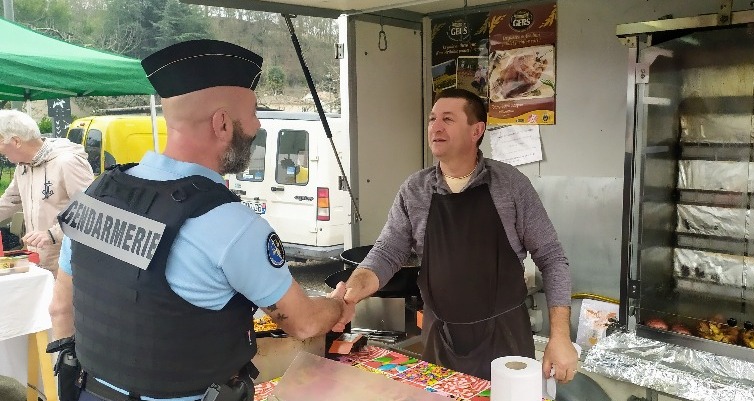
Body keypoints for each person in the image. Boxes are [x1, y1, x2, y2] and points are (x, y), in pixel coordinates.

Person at [48, 39, 351, 401]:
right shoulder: (232, 225)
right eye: (253, 113)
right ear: (221, 123)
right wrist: (338, 304)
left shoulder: (96, 195)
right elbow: (303, 322)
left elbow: (60, 308)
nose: (257, 126)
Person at [338, 88, 579, 382]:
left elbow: (552, 258)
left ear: (476, 131)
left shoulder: (510, 185)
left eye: (448, 119)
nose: (435, 127)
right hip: (439, 337)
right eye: (432, 119)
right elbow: (387, 252)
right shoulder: (415, 189)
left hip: (505, 338)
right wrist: (351, 292)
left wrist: (560, 336)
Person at [0, 109, 93, 277]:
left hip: (67, 263)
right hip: (37, 261)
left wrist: (52, 234)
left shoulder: (67, 162)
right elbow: (10, 201)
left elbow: (92, 211)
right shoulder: (23, 166)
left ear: (16, 141)